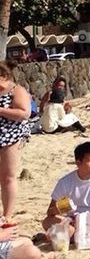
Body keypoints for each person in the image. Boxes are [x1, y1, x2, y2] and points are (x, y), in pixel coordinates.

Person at [0, 62, 30, 226]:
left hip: (11, 134)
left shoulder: (17, 90)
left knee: (7, 176)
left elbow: (24, 113)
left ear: (4, 76)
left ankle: (7, 214)